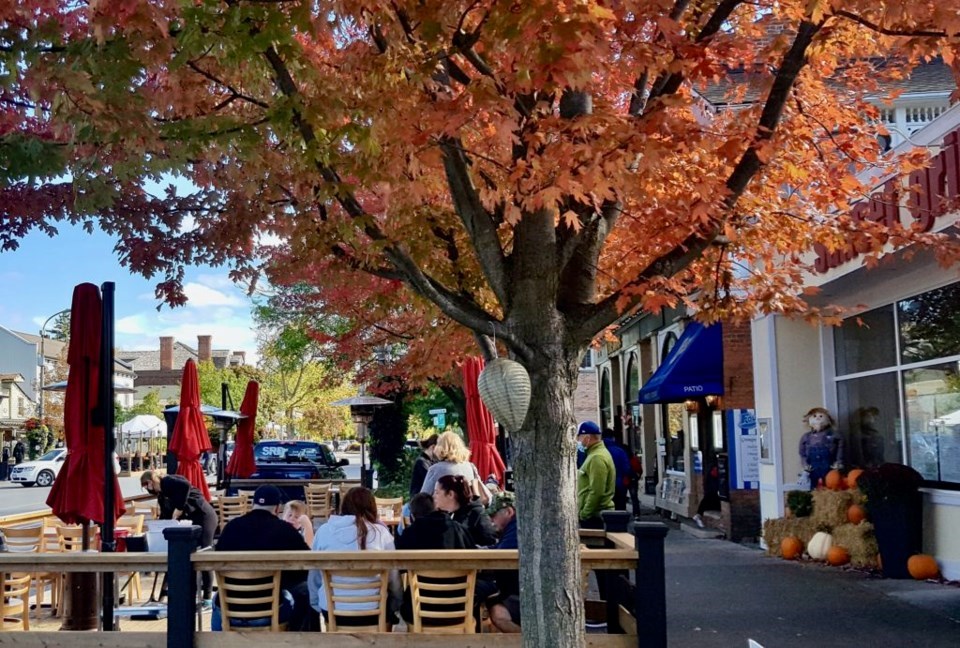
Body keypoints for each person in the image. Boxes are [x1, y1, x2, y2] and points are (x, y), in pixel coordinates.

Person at [212, 485, 314, 631]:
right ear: (278, 508)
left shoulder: (231, 528)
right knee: (303, 591)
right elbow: (305, 567)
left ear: (253, 505)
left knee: (216, 599)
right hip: (269, 612)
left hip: (228, 612)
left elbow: (217, 562)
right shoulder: (285, 530)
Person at [308, 487, 402, 628]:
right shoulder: (381, 533)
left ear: (344, 506)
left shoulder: (323, 532)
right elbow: (393, 579)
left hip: (333, 610)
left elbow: (314, 576)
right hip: (375, 611)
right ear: (371, 507)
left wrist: (316, 604)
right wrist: (396, 605)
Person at [140, 470, 219, 605]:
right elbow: (166, 516)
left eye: (147, 485)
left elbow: (185, 486)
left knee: (203, 553)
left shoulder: (168, 481)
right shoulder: (161, 496)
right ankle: (190, 593)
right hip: (191, 520)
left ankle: (207, 597)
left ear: (151, 481)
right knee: (189, 555)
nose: (148, 489)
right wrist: (157, 528)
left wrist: (179, 507)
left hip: (204, 516)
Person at [479, 492, 521, 633]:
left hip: (521, 594)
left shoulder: (516, 529)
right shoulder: (515, 526)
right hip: (519, 590)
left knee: (498, 615)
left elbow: (500, 556)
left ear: (509, 512)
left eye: (494, 515)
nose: (491, 520)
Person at [419, 432, 491, 505]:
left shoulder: (436, 469)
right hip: (469, 512)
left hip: (444, 513)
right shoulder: (470, 467)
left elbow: (423, 498)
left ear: (440, 447)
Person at [433, 474, 499, 547]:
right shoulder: (452, 514)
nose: (434, 496)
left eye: (437, 492)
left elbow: (491, 543)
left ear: (450, 494)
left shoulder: (477, 514)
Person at [395, 492, 472, 551]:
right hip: (456, 571)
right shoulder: (457, 529)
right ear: (434, 509)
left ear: (412, 516)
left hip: (421, 572)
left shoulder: (409, 534)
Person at [577, 421, 615, 528]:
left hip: (594, 516)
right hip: (594, 513)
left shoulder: (596, 457)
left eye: (579, 437)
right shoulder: (595, 454)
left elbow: (597, 491)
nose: (578, 441)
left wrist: (584, 514)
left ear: (587, 438)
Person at [799, 407, 843, 491]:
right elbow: (802, 454)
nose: (818, 418)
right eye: (814, 416)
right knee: (814, 490)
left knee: (831, 490)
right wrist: (805, 470)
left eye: (821, 416)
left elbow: (840, 449)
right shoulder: (806, 437)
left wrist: (839, 463)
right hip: (813, 469)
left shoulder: (835, 435)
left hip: (830, 468)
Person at [602, 428, 631, 511]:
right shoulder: (620, 451)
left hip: (604, 485)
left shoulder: (598, 451)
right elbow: (626, 469)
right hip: (619, 484)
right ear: (613, 438)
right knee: (620, 508)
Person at [692, 462, 721, 528]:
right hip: (713, 491)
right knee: (708, 500)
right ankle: (698, 515)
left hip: (712, 491)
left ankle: (698, 515)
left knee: (706, 501)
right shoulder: (714, 470)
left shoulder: (710, 470)